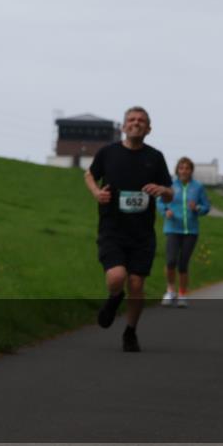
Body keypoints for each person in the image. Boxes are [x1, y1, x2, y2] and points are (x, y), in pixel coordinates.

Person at [84, 107, 173, 352]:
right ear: (123, 127)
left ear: (149, 129)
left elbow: (170, 191)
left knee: (136, 285)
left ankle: (130, 332)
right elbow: (89, 175)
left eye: (141, 121)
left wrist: (162, 190)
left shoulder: (155, 157)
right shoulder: (108, 153)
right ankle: (114, 298)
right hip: (112, 228)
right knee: (116, 277)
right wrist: (96, 193)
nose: (136, 123)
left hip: (142, 234)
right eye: (131, 120)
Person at [157, 157, 211, 307]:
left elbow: (206, 207)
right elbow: (160, 202)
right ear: (177, 170)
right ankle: (170, 290)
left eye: (187, 168)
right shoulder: (170, 185)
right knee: (170, 261)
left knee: (183, 264)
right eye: (181, 168)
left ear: (191, 170)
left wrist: (198, 208)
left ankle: (182, 294)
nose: (184, 171)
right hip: (173, 228)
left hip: (191, 231)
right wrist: (165, 210)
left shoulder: (198, 187)